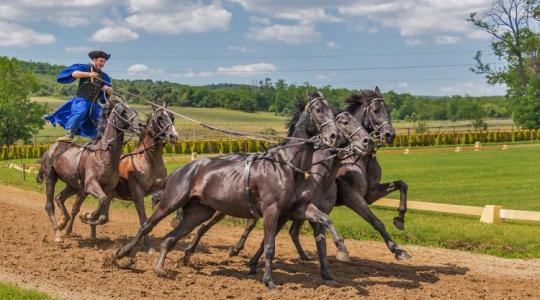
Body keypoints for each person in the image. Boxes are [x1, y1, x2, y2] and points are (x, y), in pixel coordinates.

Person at [44, 50, 113, 142]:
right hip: (82, 100)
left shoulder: (105, 76)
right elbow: (74, 74)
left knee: (105, 118)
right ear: (94, 60)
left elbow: (109, 90)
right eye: (101, 61)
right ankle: (70, 134)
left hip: (94, 104)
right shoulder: (85, 68)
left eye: (104, 62)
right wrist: (89, 74)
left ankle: (102, 139)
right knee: (81, 111)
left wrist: (108, 89)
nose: (103, 63)